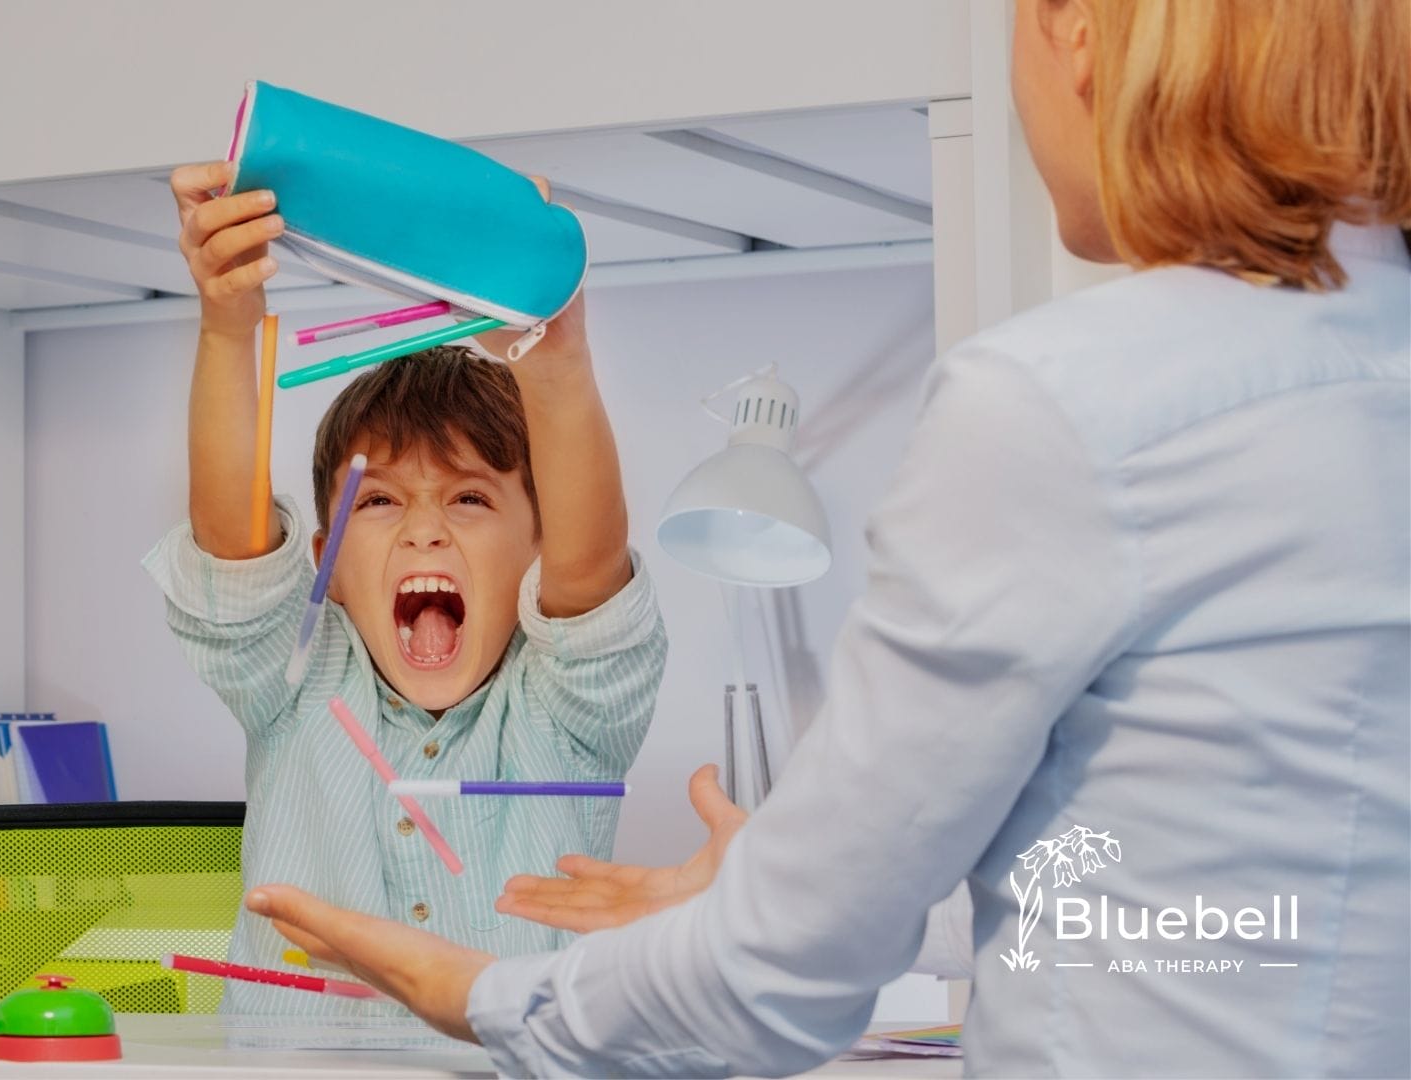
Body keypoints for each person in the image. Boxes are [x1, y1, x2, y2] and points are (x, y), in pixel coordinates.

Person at [245, 0, 1411, 1072]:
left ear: (1079, 32)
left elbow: (784, 978)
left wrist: (491, 997)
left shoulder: (1064, 406)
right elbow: (1204, 888)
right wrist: (772, 888)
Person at [144, 163, 668, 1013]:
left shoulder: (572, 712)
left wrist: (556, 359)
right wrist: (227, 326)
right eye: (380, 501)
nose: (425, 530)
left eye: (468, 497)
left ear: (540, 547)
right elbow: (231, 548)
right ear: (326, 564)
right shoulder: (292, 679)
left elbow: (590, 568)